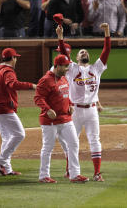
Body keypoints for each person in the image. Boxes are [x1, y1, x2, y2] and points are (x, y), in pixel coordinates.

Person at [56, 22, 110, 181]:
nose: (84, 52)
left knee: (95, 140)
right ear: (77, 58)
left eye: (85, 51)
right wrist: (60, 37)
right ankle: (69, 170)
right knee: (72, 141)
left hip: (92, 110)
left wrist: (107, 32)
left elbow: (106, 50)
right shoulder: (72, 68)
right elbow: (65, 55)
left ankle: (97, 173)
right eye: (81, 52)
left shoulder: (97, 68)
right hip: (76, 111)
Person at [34, 54, 89, 183]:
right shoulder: (46, 80)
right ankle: (43, 176)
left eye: (67, 65)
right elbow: (38, 98)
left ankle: (74, 174)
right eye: (65, 66)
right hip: (50, 122)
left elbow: (65, 95)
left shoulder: (63, 78)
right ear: (57, 66)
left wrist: (69, 104)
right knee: (48, 148)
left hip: (66, 119)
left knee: (74, 144)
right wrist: (47, 110)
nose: (67, 68)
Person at [0, 48, 36, 176]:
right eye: (15, 57)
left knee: (7, 138)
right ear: (12, 59)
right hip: (4, 108)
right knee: (19, 134)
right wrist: (31, 85)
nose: (16, 60)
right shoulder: (8, 71)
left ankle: (7, 168)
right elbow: (13, 84)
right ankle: (0, 159)